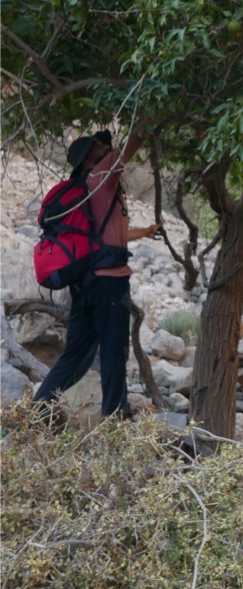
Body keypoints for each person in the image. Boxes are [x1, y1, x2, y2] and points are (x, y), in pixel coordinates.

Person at [33, 126, 161, 421]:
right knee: (114, 353)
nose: (106, 148)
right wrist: (146, 118)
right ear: (88, 158)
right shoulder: (102, 177)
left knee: (77, 356)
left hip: (86, 282)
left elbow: (111, 235)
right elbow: (132, 143)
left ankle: (35, 413)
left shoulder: (91, 191)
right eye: (99, 147)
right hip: (109, 284)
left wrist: (147, 231)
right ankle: (115, 422)